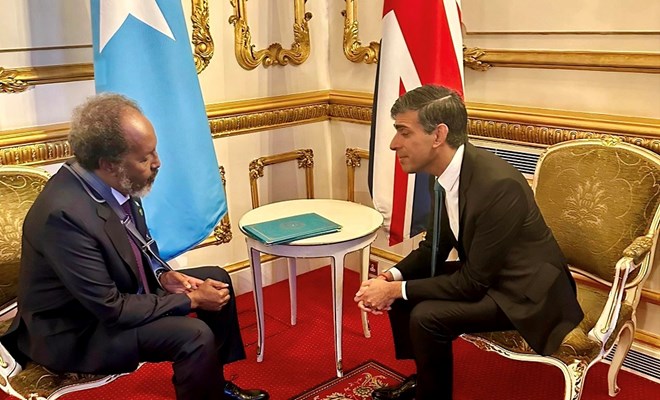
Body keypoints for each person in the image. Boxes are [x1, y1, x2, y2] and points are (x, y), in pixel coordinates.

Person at [1, 93, 269, 400]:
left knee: (217, 279)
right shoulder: (64, 216)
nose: (157, 163)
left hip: (118, 296)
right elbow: (112, 309)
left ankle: (212, 383)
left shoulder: (111, 180)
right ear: (108, 164)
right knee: (194, 335)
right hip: (78, 330)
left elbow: (136, 248)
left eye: (154, 151)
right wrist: (191, 300)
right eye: (144, 158)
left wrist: (161, 276)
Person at [354, 85, 584, 400]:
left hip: (527, 291)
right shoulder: (443, 172)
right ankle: (425, 380)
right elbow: (433, 248)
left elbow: (473, 283)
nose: (394, 144)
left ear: (438, 135)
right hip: (490, 274)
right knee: (408, 291)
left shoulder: (498, 186)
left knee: (426, 316)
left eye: (404, 133)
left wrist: (393, 291)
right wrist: (388, 278)